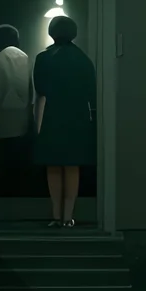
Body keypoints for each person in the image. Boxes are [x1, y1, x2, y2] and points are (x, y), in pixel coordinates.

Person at [32, 15, 97, 227]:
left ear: (52, 32)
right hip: (77, 116)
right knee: (71, 165)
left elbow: (40, 90)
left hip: (53, 115)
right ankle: (68, 216)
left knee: (53, 165)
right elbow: (91, 91)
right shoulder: (83, 59)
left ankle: (56, 214)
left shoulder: (43, 58)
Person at [0, 23, 32, 197]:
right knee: (19, 166)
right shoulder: (25, 57)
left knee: (2, 166)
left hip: (0, 122)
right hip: (22, 122)